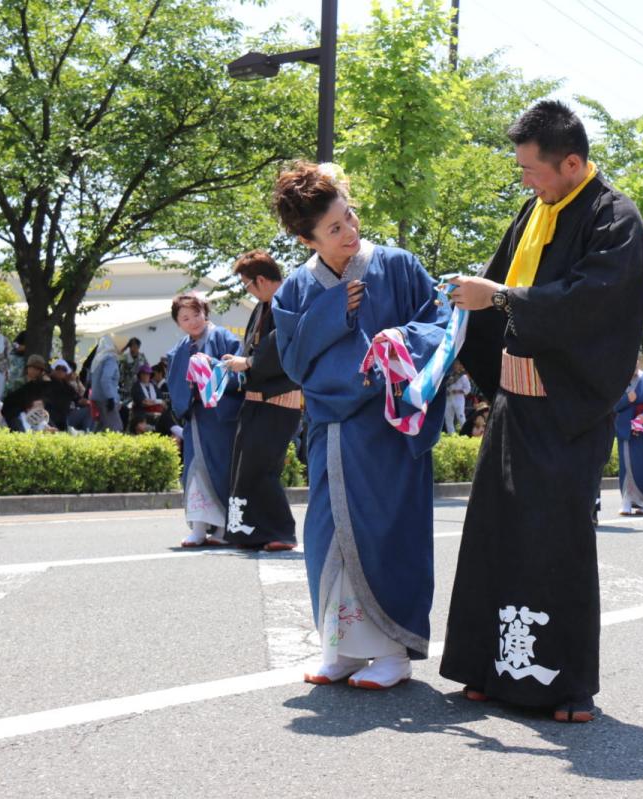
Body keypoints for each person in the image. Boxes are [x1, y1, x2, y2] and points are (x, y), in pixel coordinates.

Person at [441, 100, 643, 723]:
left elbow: (590, 304)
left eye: (533, 169)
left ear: (573, 163)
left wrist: (503, 298)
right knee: (495, 534)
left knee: (555, 542)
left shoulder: (615, 218)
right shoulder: (534, 211)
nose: (526, 180)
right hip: (514, 405)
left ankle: (566, 685)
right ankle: (489, 667)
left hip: (565, 412)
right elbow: (491, 295)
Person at [271, 161, 451, 691]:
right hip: (330, 429)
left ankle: (393, 652)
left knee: (388, 532)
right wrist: (331, 311)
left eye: (349, 216)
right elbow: (294, 363)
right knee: (327, 536)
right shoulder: (297, 289)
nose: (349, 231)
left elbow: (439, 327)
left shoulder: (398, 266)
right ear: (307, 239)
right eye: (333, 228)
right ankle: (342, 648)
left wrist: (399, 343)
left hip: (389, 428)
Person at [220, 249, 303, 553]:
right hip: (256, 397)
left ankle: (282, 532)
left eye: (247, 284)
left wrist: (249, 363)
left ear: (262, 280)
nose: (248, 291)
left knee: (264, 469)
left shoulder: (289, 303)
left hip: (280, 399)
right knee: (244, 468)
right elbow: (255, 347)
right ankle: (250, 531)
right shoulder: (263, 306)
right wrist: (241, 361)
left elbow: (281, 347)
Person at [166, 292, 245, 548]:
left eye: (196, 314)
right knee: (195, 470)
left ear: (205, 313)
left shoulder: (224, 337)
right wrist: (190, 385)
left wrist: (211, 367)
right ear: (178, 323)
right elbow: (174, 381)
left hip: (221, 417)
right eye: (185, 318)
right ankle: (199, 528)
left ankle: (223, 529)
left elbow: (241, 374)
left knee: (221, 470)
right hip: (196, 417)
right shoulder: (180, 348)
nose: (193, 322)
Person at [613, 367, 643, 515]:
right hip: (625, 428)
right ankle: (626, 501)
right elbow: (611, 405)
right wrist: (626, 399)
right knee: (626, 465)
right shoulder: (618, 381)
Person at [88, 336, 123, 433]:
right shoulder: (110, 360)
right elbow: (105, 379)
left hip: (97, 398)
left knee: (101, 428)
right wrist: (111, 397)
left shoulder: (97, 360)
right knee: (115, 428)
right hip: (107, 399)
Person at [119, 337, 149, 404]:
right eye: (132, 346)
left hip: (140, 385)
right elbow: (120, 372)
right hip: (128, 387)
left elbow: (147, 369)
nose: (134, 348)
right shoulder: (125, 357)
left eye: (136, 346)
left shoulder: (142, 357)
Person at [443, 363, 471, 434]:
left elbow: (468, 389)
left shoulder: (463, 377)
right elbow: (443, 387)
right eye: (455, 364)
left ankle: (466, 433)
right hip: (448, 399)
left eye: (457, 364)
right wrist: (446, 392)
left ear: (460, 366)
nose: (456, 366)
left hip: (459, 400)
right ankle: (451, 435)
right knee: (448, 418)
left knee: (461, 417)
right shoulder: (447, 376)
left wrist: (458, 391)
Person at [5, 332, 29, 397]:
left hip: (24, 361)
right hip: (16, 358)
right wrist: (20, 347)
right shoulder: (24, 333)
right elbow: (14, 343)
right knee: (13, 379)